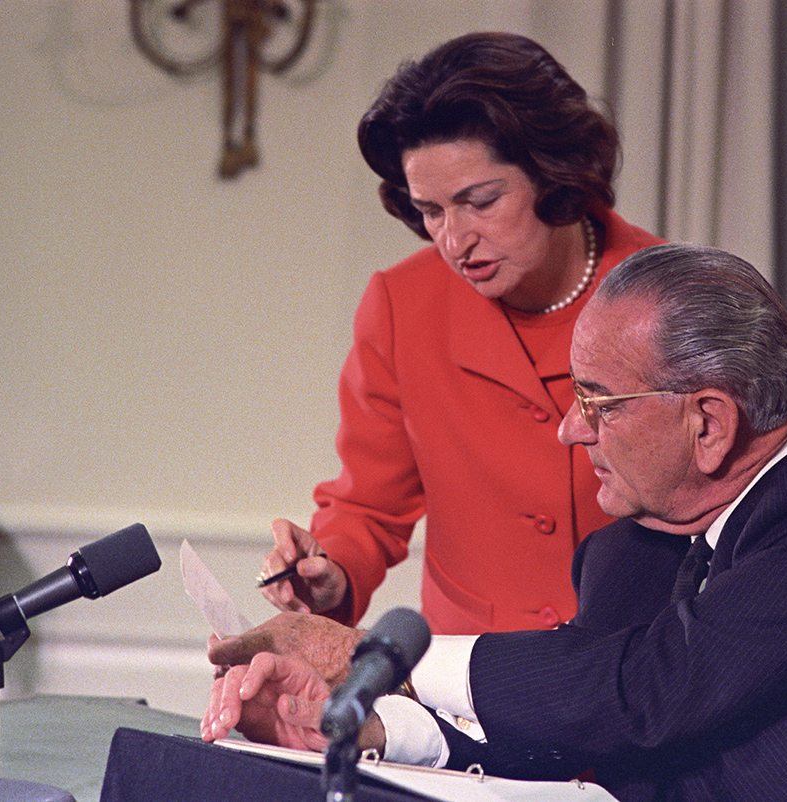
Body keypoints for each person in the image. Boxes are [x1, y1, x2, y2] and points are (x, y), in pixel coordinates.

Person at [204, 242, 787, 801]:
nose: (571, 430)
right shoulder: (631, 549)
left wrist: (367, 656)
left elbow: (650, 691)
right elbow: (575, 723)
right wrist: (359, 722)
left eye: (596, 404)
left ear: (709, 424)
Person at [258, 32, 663, 636]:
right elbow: (368, 507)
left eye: (479, 202)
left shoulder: (671, 294)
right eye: (431, 210)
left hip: (644, 669)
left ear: (553, 175)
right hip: (472, 679)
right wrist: (332, 571)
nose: (454, 240)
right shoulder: (403, 305)